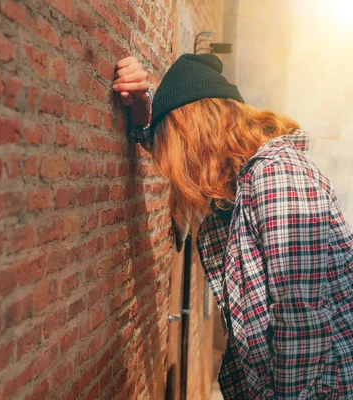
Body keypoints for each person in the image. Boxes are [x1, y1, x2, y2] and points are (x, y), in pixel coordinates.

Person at [113, 53, 353, 399]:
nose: (184, 179)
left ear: (198, 136)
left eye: (182, 156)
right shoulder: (233, 188)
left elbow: (304, 327)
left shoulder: (277, 176)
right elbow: (158, 141)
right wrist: (143, 109)